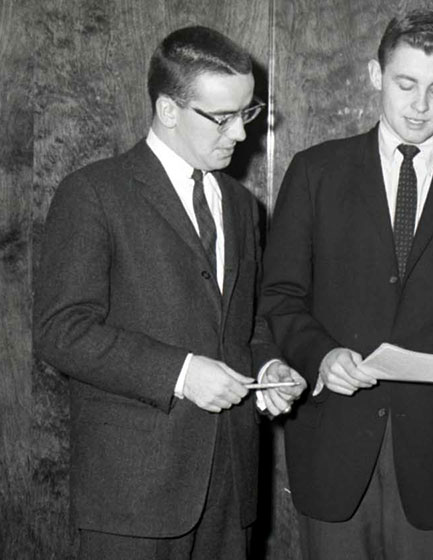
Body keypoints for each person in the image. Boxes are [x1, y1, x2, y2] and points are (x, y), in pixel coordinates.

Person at [259, 9, 433, 560]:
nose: (420, 106)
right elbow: (280, 298)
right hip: (333, 451)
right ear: (376, 75)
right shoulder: (314, 174)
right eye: (405, 85)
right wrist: (321, 356)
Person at [33, 26, 305, 559]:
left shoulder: (242, 207)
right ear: (169, 109)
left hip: (230, 488)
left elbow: (244, 327)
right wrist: (182, 374)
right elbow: (60, 332)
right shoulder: (93, 193)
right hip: (134, 497)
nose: (240, 134)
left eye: (247, 113)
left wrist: (269, 367)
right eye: (222, 117)